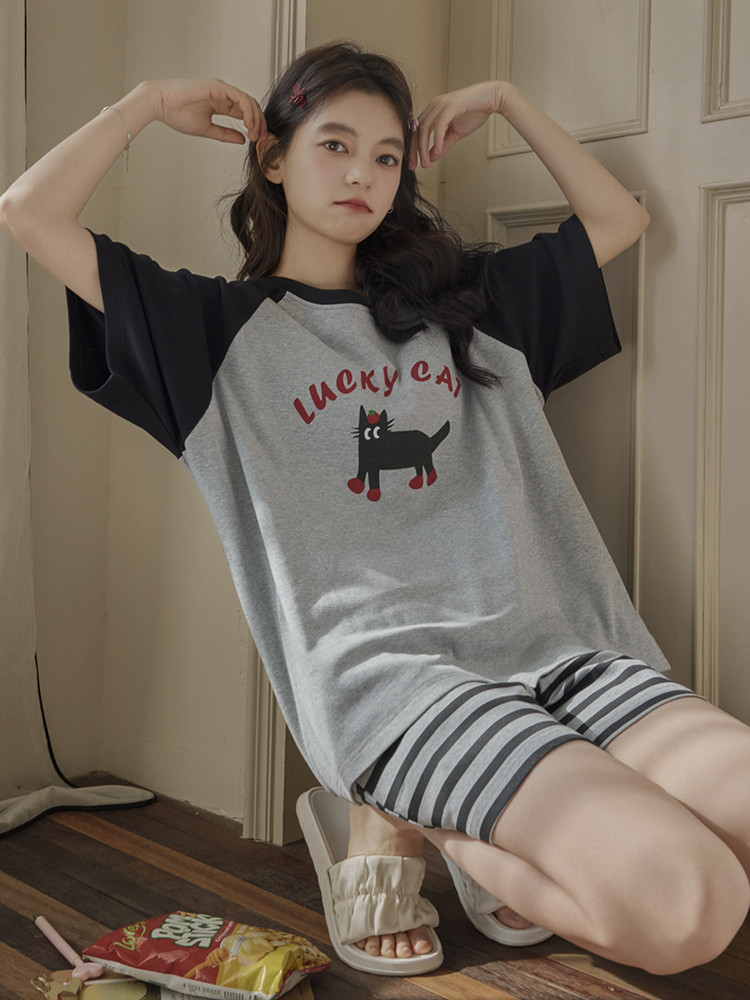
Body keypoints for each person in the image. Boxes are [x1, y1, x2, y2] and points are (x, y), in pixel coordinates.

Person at [2, 40, 749, 979]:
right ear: (274, 158)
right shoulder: (211, 333)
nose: (363, 174)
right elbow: (28, 211)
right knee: (691, 910)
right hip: (399, 688)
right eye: (335, 145)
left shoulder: (470, 306)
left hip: (568, 648)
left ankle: (461, 811)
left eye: (387, 155)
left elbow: (618, 218)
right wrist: (148, 101)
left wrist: (507, 99)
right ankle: (419, 812)